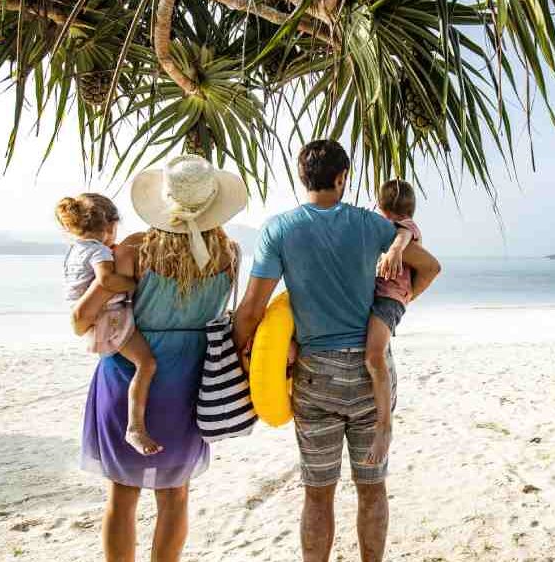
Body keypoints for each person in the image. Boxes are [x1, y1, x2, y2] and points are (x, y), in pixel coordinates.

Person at [233, 140, 442, 562]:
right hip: (371, 371)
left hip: (316, 377)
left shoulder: (279, 229)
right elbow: (431, 266)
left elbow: (252, 309)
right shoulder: (372, 225)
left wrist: (236, 357)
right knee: (372, 487)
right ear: (342, 178)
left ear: (301, 178)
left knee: (317, 494)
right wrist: (398, 304)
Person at [75, 154, 248, 562]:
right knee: (176, 493)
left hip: (130, 371)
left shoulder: (135, 248)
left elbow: (84, 319)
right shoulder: (231, 253)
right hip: (191, 378)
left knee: (122, 491)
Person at [57, 193, 162, 456]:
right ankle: (135, 426)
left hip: (94, 318)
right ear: (109, 226)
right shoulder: (101, 250)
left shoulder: (76, 249)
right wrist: (134, 283)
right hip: (109, 317)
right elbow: (106, 281)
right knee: (146, 364)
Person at [362, 179, 423, 466]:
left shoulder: (405, 230)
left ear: (383, 209)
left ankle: (384, 424)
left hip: (389, 300)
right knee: (373, 355)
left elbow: (402, 236)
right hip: (385, 296)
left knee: (374, 356)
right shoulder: (387, 229)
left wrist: (396, 250)